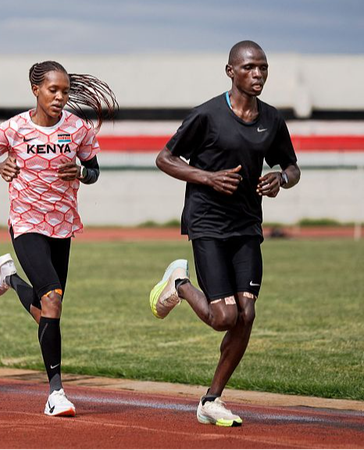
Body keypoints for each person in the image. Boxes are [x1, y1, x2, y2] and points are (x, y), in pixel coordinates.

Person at [151, 41, 301, 427]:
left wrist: (281, 179)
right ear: (230, 71)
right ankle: (179, 283)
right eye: (249, 67)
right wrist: (208, 178)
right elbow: (165, 158)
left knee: (246, 314)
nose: (258, 74)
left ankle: (211, 399)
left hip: (247, 224)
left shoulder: (272, 119)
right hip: (207, 222)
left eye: (263, 67)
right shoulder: (207, 115)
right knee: (223, 317)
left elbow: (292, 166)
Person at [0, 61, 117, 417]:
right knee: (52, 301)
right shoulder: (13, 129)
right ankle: (56, 393)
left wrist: (81, 172)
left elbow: (94, 171)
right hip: (26, 224)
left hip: (62, 226)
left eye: (65, 91)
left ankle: (9, 278)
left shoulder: (78, 129)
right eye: (53, 90)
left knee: (46, 310)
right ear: (36, 89)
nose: (60, 97)